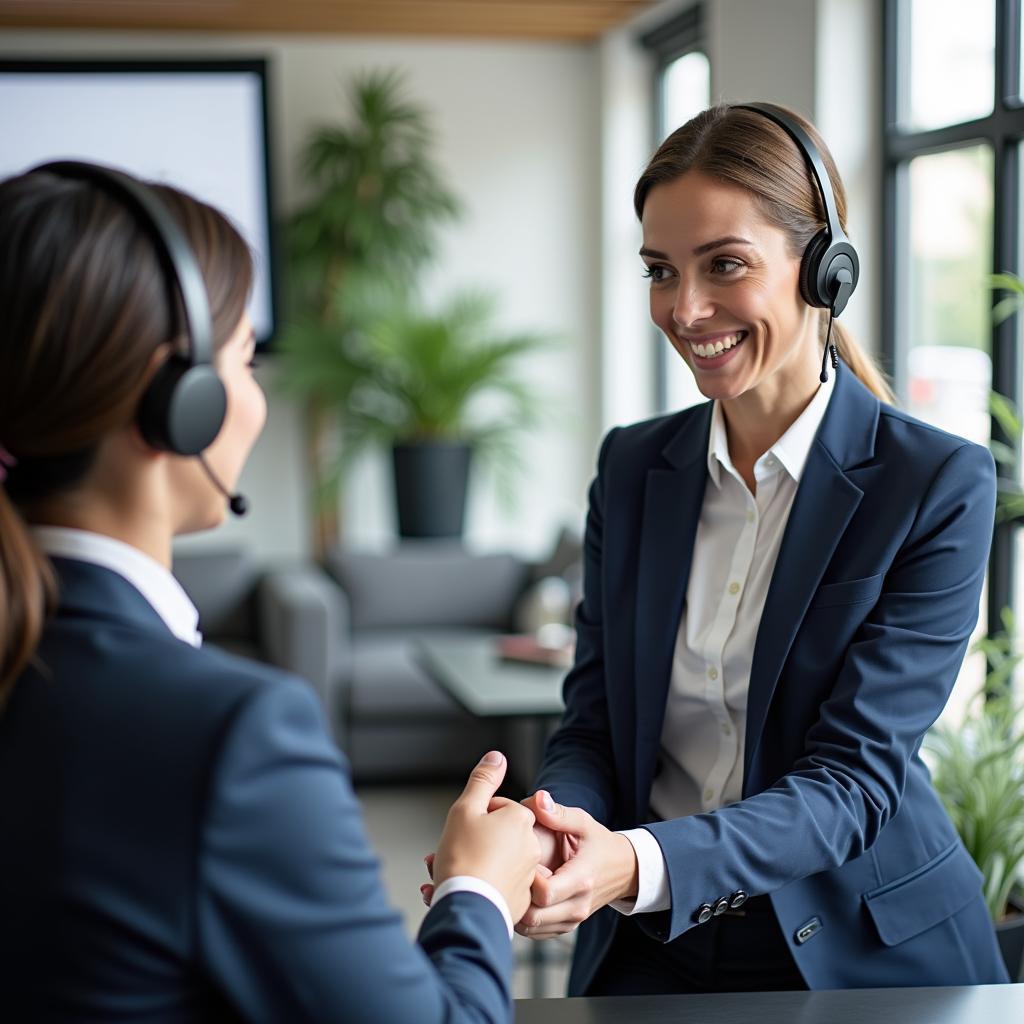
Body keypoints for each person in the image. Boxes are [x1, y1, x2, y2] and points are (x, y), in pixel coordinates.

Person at [0, 163, 540, 1022]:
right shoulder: (231, 736)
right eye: (246, 361)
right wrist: (477, 889)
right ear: (179, 404)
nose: (252, 396)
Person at [512, 102, 1010, 994]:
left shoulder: (933, 483)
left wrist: (635, 860)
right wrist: (551, 831)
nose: (685, 308)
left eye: (725, 266)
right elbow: (592, 724)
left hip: (856, 950)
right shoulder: (633, 468)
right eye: (661, 271)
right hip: (647, 939)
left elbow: (851, 783)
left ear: (823, 271)